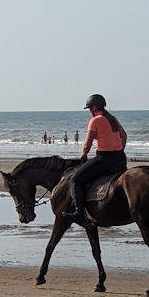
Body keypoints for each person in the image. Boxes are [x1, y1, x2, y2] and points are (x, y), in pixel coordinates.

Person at [63, 94, 128, 222]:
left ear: (94, 108)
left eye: (89, 108)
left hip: (105, 159)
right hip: (120, 158)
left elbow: (88, 143)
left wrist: (83, 155)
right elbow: (124, 136)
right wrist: (119, 150)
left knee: (75, 179)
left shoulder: (95, 120)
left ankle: (78, 212)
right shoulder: (112, 118)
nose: (89, 111)